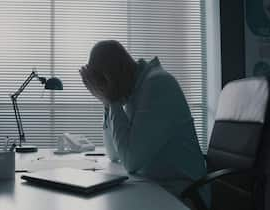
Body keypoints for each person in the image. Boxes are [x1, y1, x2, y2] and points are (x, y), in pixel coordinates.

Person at [79, 40, 209, 207]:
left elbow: (130, 162)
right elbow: (114, 154)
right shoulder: (136, 88)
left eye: (104, 85)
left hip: (183, 193)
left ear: (113, 76)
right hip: (155, 184)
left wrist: (112, 101)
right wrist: (106, 104)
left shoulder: (157, 85)